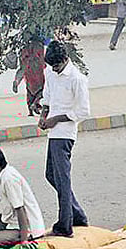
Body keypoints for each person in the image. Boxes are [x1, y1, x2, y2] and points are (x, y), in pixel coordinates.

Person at [39, 40, 91, 237]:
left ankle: (65, 224)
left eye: (58, 65)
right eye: (52, 66)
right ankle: (77, 214)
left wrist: (57, 119)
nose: (55, 69)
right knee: (51, 175)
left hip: (65, 132)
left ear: (66, 59)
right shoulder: (51, 73)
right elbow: (47, 98)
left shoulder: (77, 78)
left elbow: (83, 111)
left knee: (63, 178)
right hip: (53, 131)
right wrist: (43, 117)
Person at [0, 145, 45, 248]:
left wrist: (24, 240)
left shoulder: (9, 179)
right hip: (9, 222)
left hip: (23, 229)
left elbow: (20, 209)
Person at [12, 36, 46, 116]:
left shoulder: (24, 47)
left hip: (28, 69)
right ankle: (34, 104)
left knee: (29, 91)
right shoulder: (39, 46)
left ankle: (31, 111)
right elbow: (42, 60)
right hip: (38, 71)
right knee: (41, 91)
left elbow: (22, 65)